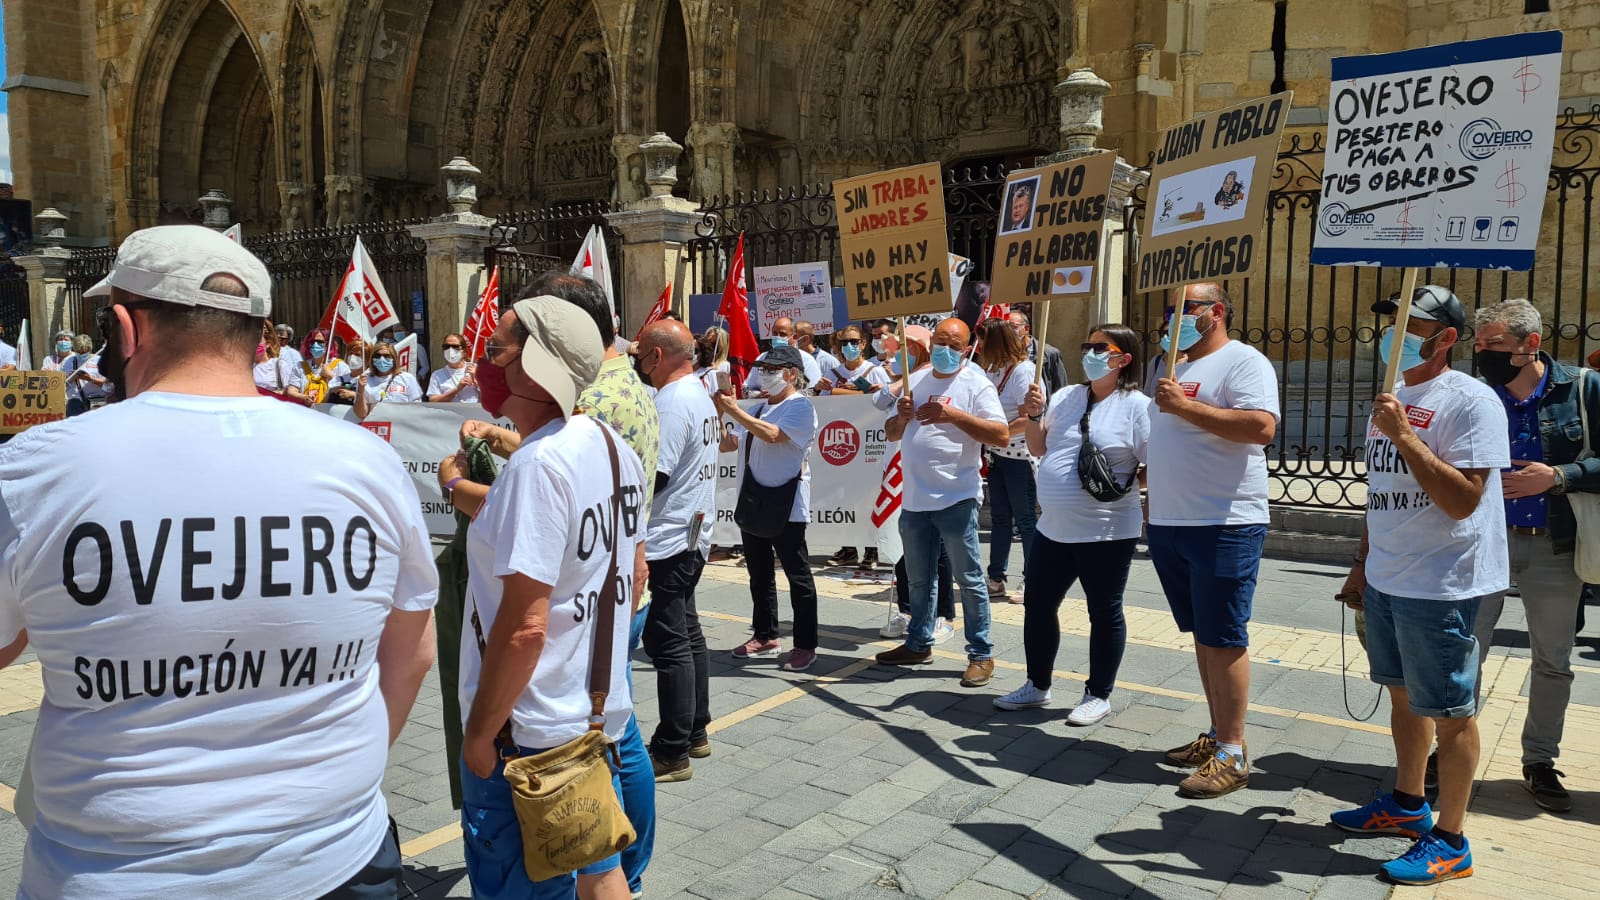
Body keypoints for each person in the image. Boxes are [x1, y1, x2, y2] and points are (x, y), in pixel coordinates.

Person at [0, 224, 439, 897]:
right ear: (259, 336)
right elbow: (411, 648)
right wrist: (336, 778)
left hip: (115, 869)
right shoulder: (366, 462)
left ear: (125, 328)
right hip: (337, 857)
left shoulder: (31, 473)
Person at [441, 272, 659, 897]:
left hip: (528, 735)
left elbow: (524, 627)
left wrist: (480, 735)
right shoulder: (614, 447)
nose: (486, 358)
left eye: (500, 347)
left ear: (537, 366)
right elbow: (634, 573)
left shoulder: (538, 465)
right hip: (596, 714)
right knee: (601, 872)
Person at [1331, 285, 1508, 885]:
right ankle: (1407, 804)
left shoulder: (1471, 400)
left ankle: (1452, 839)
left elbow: (1463, 499)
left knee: (1452, 711)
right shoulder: (1394, 395)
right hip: (1387, 575)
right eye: (1391, 322)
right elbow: (1381, 497)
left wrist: (1406, 436)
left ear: (1447, 337)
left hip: (1441, 582)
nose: (1395, 332)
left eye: (1412, 323)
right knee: (1403, 697)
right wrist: (1362, 561)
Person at [1147, 282, 1279, 799]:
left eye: (1183, 310)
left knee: (1224, 636)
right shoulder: (1170, 366)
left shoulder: (1244, 362)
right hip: (1172, 521)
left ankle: (1234, 749)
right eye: (1167, 311)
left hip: (1224, 521)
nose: (1169, 319)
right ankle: (1216, 733)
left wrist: (1183, 407)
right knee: (1203, 634)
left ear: (1216, 312)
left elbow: (1261, 427)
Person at [1464, 299, 1592, 813]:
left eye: (1493, 343)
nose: (1482, 353)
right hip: (1484, 542)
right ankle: (1449, 750)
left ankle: (1539, 761)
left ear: (1530, 344)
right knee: (1465, 652)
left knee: (1553, 661)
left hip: (1556, 547)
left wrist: (1559, 476)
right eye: (1478, 344)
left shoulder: (1582, 389)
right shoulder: (1477, 395)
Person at [994, 324, 1149, 725]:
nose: (1090, 353)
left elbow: (1158, 465)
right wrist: (1033, 415)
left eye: (1100, 347)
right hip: (1054, 529)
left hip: (1106, 531)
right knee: (1039, 605)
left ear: (1123, 358)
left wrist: (1121, 483)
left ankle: (1098, 693)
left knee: (1104, 610)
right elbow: (1038, 447)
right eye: (1087, 345)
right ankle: (1037, 685)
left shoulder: (1137, 406)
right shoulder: (1065, 396)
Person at [874, 318, 1009, 686]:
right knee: (919, 580)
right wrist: (900, 418)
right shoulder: (915, 378)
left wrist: (952, 415)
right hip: (915, 499)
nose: (945, 349)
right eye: (940, 342)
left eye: (954, 344)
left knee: (968, 579)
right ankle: (918, 642)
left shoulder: (975, 383)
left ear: (967, 349)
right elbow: (891, 432)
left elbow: (1000, 434)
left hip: (957, 498)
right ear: (930, 342)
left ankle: (981, 654)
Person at [634, 320, 719, 782]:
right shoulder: (697, 393)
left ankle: (671, 750)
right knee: (687, 634)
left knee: (668, 644)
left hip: (670, 535)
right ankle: (695, 730)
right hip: (691, 530)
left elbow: (656, 477)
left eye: (642, 354)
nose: (640, 363)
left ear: (658, 356)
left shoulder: (669, 402)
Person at [715, 344, 821, 670]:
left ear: (791, 374)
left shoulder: (800, 406)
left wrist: (735, 412)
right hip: (756, 500)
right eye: (764, 368)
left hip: (787, 505)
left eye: (773, 369)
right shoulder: (759, 409)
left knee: (797, 576)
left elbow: (775, 436)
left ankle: (805, 644)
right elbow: (728, 444)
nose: (766, 374)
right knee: (759, 576)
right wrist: (721, 414)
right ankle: (765, 635)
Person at [873, 325, 957, 643]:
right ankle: (908, 610)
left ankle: (943, 614)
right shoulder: (908, 381)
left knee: (939, 550)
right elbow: (881, 408)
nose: (898, 354)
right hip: (902, 472)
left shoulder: (941, 378)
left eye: (906, 347)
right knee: (905, 543)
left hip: (938, 478)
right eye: (897, 348)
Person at [977, 317, 1038, 603]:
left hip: (1020, 456)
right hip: (999, 454)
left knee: (1025, 520)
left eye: (983, 342)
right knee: (1000, 519)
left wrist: (994, 434)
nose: (978, 348)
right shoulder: (994, 369)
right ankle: (996, 577)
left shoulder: (1024, 371)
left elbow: (1028, 418)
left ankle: (1034, 578)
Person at [744, 316, 821, 393]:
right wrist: (759, 395)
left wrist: (782, 395)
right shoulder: (762, 358)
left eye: (782, 334)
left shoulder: (807, 360)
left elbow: (814, 391)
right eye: (775, 333)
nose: (777, 337)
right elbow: (746, 390)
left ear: (795, 337)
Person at [354, 341, 424, 418]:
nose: (381, 359)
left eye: (386, 356)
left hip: (401, 425)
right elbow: (361, 415)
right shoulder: (364, 380)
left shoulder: (407, 378)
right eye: (377, 356)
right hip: (376, 425)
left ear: (394, 358)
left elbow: (417, 407)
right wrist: (360, 391)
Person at [1008, 310, 1068, 398]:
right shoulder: (1003, 354)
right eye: (1005, 328)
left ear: (1026, 329)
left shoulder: (1049, 353)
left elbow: (1061, 389)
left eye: (1013, 327)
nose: (1008, 332)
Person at [253, 323, 307, 403]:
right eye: (277, 334)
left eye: (281, 335)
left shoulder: (293, 354)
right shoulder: (247, 364)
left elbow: (291, 385)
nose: (279, 337)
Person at [299, 328, 351, 404]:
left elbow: (348, 387)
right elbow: (291, 390)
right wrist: (304, 397)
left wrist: (332, 377)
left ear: (328, 344)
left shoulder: (340, 365)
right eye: (312, 341)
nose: (315, 344)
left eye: (320, 342)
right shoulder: (301, 366)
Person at [427, 332, 480, 403]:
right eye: (446, 346)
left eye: (455, 346)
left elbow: (493, 395)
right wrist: (457, 389)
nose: (450, 350)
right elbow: (433, 401)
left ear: (463, 351)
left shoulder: (477, 369)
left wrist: (477, 380)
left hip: (475, 413)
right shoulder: (437, 375)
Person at [63, 334, 108, 415]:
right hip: (75, 401)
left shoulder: (100, 361)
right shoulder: (68, 362)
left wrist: (90, 379)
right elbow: (62, 386)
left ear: (90, 350)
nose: (81, 355)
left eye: (83, 353)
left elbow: (108, 386)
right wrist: (72, 377)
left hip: (96, 400)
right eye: (78, 352)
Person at [794, 320, 839, 388]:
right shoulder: (790, 358)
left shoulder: (829, 361)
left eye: (795, 336)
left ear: (805, 339)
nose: (790, 339)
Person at [694, 326, 730, 394]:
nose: (710, 346)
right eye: (708, 342)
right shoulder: (696, 363)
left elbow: (725, 392)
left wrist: (714, 373)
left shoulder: (725, 365)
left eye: (714, 344)